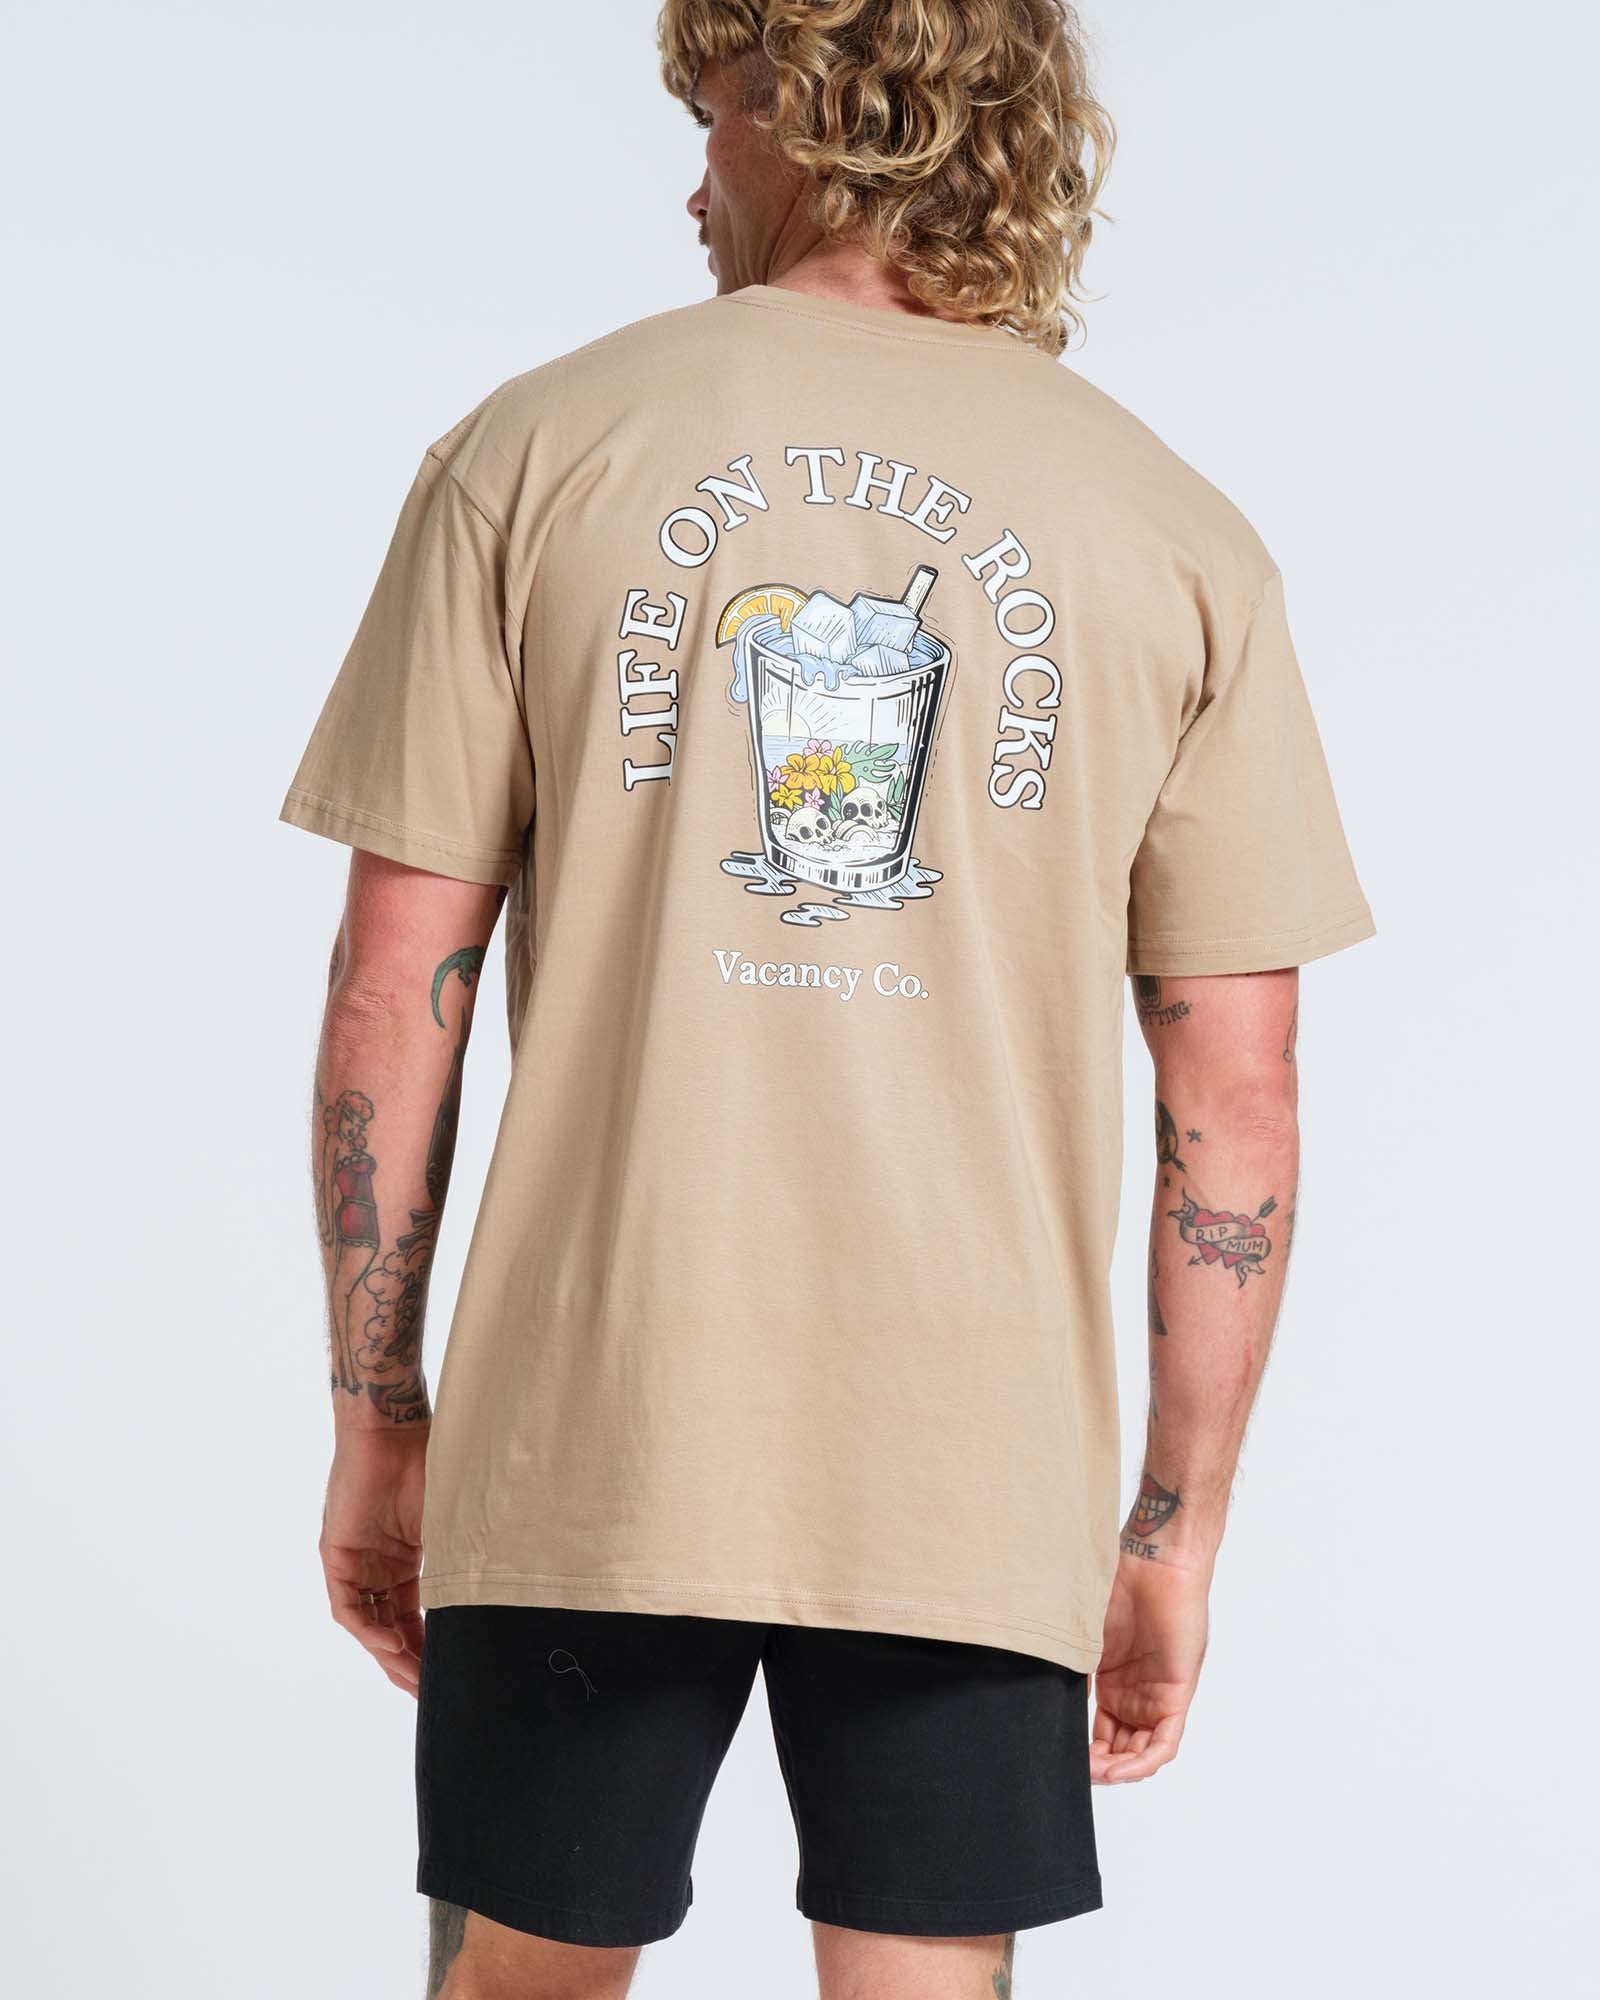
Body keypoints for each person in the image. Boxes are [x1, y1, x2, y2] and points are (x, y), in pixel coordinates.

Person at [280, 4, 1373, 1995]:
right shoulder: (1174, 534)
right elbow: (1242, 1086)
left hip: (590, 1430)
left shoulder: (537, 450)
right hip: (974, 1463)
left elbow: (390, 983)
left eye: (710, 114)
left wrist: (380, 1417)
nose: (693, 182)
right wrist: (1170, 1527)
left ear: (811, 107)